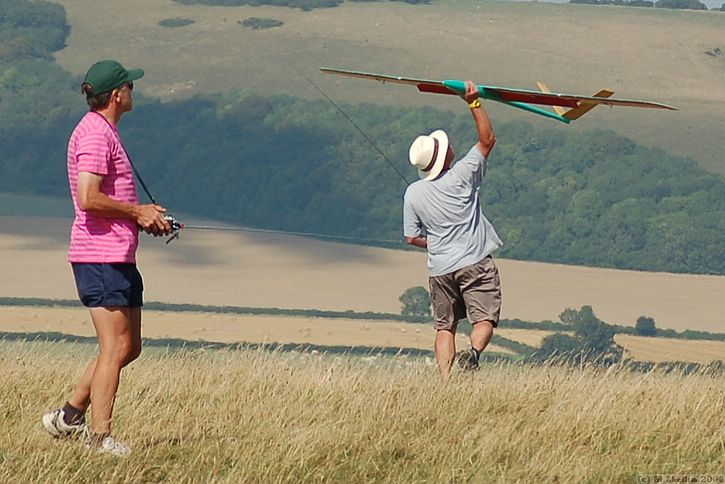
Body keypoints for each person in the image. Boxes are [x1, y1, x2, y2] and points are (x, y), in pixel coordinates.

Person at [42, 59, 171, 456]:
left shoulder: (104, 132)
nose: (134, 90)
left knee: (128, 347)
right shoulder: (96, 136)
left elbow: (107, 198)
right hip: (99, 257)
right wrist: (138, 212)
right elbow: (88, 198)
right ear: (117, 94)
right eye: (130, 85)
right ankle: (100, 439)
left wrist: (146, 217)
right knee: (114, 348)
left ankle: (67, 416)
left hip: (118, 255)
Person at [403, 80, 502, 379]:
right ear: (444, 157)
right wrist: (473, 102)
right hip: (475, 262)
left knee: (444, 327)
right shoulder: (461, 174)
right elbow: (487, 140)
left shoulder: (413, 193)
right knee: (484, 318)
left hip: (440, 268)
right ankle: (473, 355)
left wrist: (434, 244)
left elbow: (411, 236)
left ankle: (446, 381)